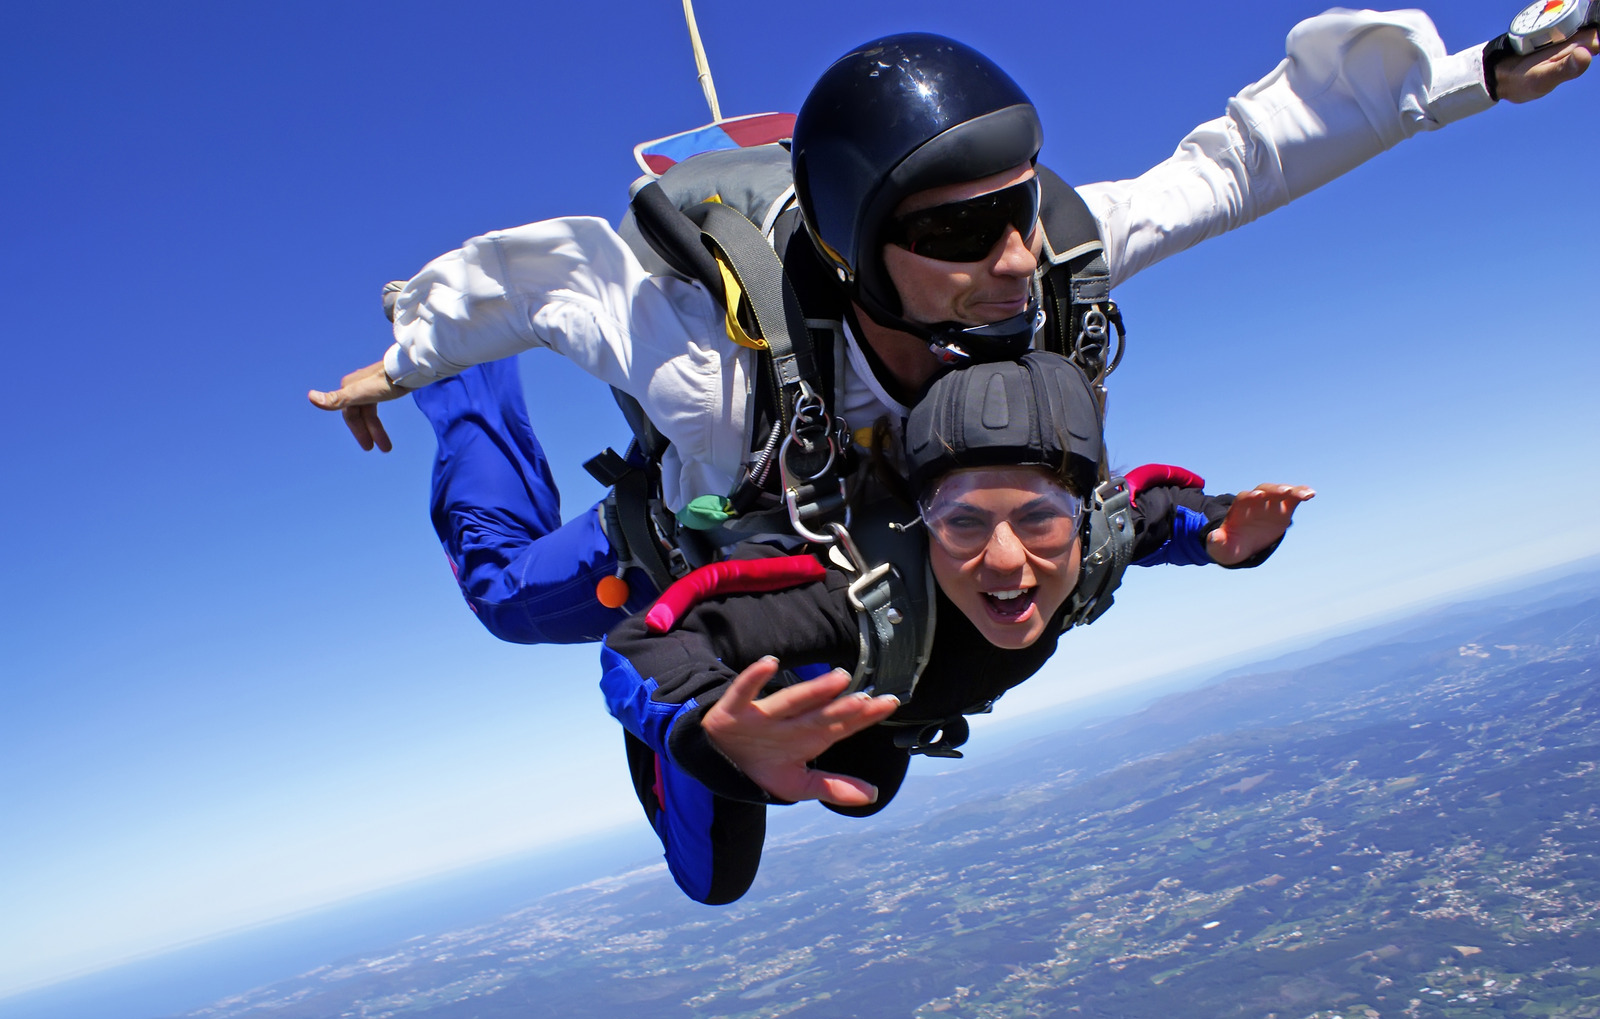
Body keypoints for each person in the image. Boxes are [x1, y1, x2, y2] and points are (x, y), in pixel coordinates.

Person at [308, 11, 1594, 646]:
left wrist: (1470, 77)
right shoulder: (713, 370)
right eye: (966, 234)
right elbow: (555, 287)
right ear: (862, 253)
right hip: (730, 522)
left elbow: (1243, 163)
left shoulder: (1048, 269)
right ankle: (460, 412)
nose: (1017, 258)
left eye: (1019, 209)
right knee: (501, 592)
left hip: (896, 521)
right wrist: (415, 354)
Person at [598, 351, 1314, 903]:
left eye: (1040, 517)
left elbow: (1167, 508)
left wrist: (1228, 536)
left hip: (890, 704)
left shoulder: (1098, 540)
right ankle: (481, 378)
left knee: (868, 785)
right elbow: (647, 642)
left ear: (1082, 516)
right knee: (713, 879)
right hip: (784, 676)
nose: (1007, 559)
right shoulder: (854, 597)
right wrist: (700, 728)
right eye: (962, 522)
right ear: (920, 522)